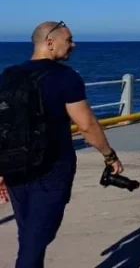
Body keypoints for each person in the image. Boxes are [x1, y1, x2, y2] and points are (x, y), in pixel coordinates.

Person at [0, 21, 125, 268]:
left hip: (15, 167)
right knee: (36, 239)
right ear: (49, 43)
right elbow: (87, 125)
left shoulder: (8, 75)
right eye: (68, 40)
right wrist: (109, 156)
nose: (73, 45)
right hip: (52, 168)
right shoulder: (66, 77)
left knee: (29, 235)